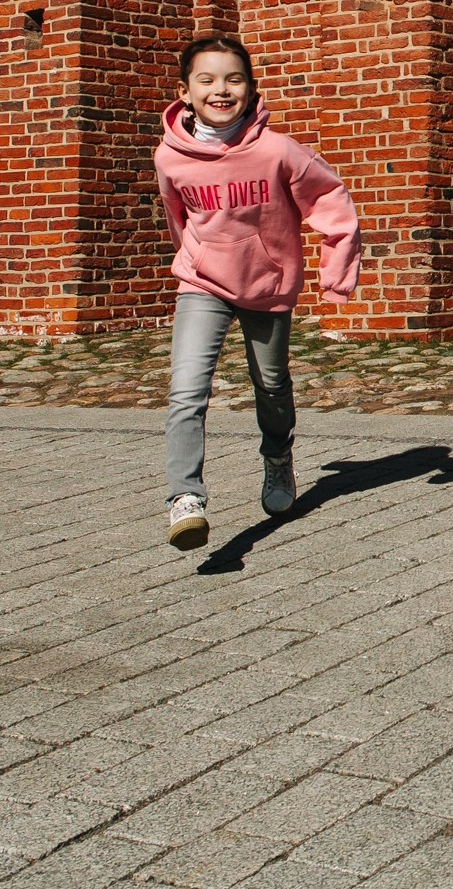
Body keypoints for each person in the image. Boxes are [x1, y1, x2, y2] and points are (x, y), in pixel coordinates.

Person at [154, 35, 360, 549]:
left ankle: (277, 458)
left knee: (270, 385)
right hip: (202, 282)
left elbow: (332, 202)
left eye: (233, 79)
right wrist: (195, 260)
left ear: (250, 88)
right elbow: (177, 221)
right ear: (185, 91)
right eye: (206, 79)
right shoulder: (170, 157)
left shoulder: (277, 150)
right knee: (186, 391)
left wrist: (336, 274)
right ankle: (186, 499)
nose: (220, 89)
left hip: (266, 285)